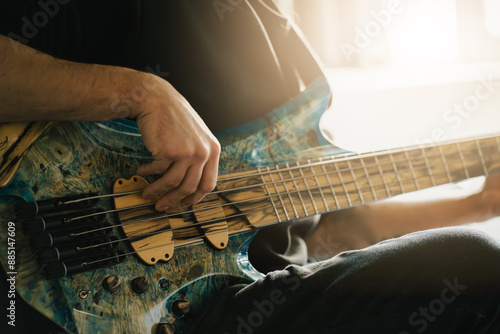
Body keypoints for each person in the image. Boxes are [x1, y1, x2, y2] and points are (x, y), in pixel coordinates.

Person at [1, 1, 500, 333]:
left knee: (477, 268)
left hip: (244, 298)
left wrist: (477, 203)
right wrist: (140, 93)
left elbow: (335, 226)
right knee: (480, 267)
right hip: (76, 283)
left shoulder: (285, 44)